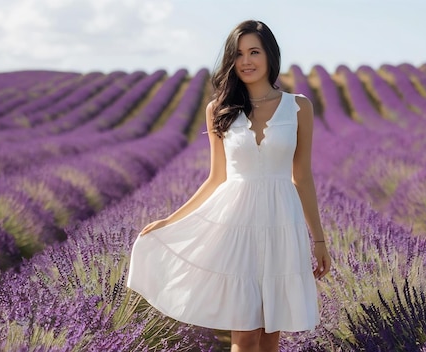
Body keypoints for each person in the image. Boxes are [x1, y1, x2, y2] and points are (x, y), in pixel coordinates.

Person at [127, 19, 331, 352]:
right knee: (245, 332)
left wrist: (319, 239)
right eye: (238, 54)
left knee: (271, 332)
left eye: (254, 52)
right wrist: (169, 222)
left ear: (270, 56)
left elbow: (302, 176)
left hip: (283, 222)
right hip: (238, 225)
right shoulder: (219, 111)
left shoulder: (299, 107)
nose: (246, 61)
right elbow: (216, 178)